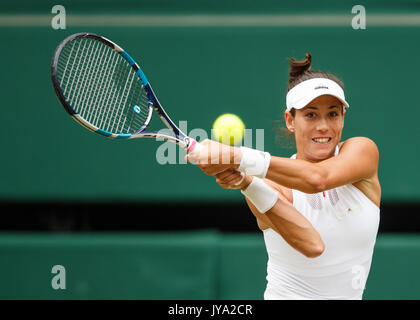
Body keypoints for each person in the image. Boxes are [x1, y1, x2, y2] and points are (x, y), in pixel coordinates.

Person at [186, 52, 381, 300]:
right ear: (290, 120)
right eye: (311, 114)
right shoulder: (269, 184)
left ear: (343, 117)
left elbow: (317, 179)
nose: (323, 126)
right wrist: (244, 182)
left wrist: (236, 157)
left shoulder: (363, 151)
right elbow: (313, 246)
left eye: (332, 113)